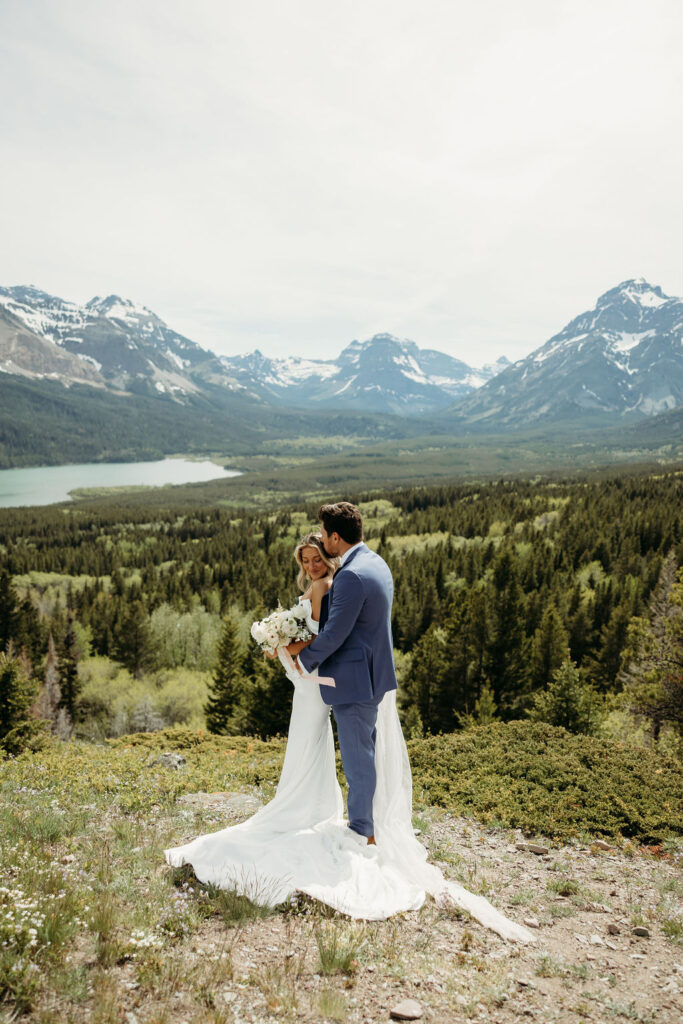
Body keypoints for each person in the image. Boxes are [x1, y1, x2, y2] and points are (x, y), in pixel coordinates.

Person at [164, 507, 534, 941]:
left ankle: (363, 830)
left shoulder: (352, 576)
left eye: (324, 535)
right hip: (369, 672)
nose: (321, 542)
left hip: (353, 677)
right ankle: (364, 822)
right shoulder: (373, 561)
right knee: (363, 750)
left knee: (358, 754)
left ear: (336, 537)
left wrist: (299, 658)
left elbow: (336, 633)